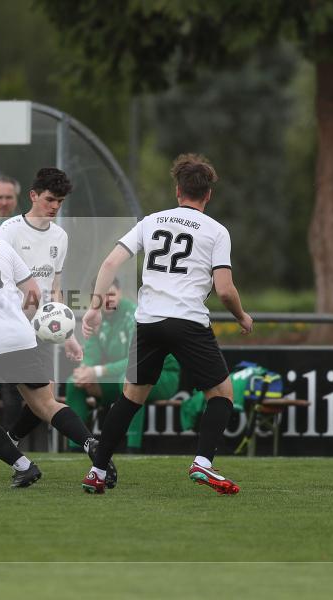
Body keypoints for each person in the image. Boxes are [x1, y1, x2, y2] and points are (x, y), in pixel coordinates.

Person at [80, 153, 253, 495]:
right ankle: (202, 463)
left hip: (149, 321)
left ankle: (98, 471)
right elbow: (225, 289)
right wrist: (241, 316)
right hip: (188, 320)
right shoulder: (217, 231)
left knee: (130, 397)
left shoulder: (151, 221)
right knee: (221, 394)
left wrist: (94, 307)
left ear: (177, 191)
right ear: (208, 195)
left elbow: (111, 262)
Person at [0, 189, 113, 487]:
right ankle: (91, 443)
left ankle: (23, 465)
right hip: (20, 335)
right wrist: (20, 323)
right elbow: (33, 293)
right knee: (45, 403)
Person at [0, 168, 90, 457]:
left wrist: (68, 334)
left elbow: (55, 288)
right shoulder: (9, 231)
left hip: (43, 329)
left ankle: (9, 442)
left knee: (45, 398)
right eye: (49, 200)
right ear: (33, 196)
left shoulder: (60, 236)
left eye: (59, 201)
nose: (54, 207)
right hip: (9, 325)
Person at [65, 278, 180, 452]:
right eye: (102, 296)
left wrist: (97, 371)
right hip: (121, 375)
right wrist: (85, 371)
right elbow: (92, 353)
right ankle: (77, 448)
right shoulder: (96, 317)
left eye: (111, 294)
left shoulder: (134, 314)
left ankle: (133, 448)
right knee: (73, 382)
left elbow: (137, 360)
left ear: (119, 293)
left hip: (162, 375)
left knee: (130, 380)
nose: (107, 299)